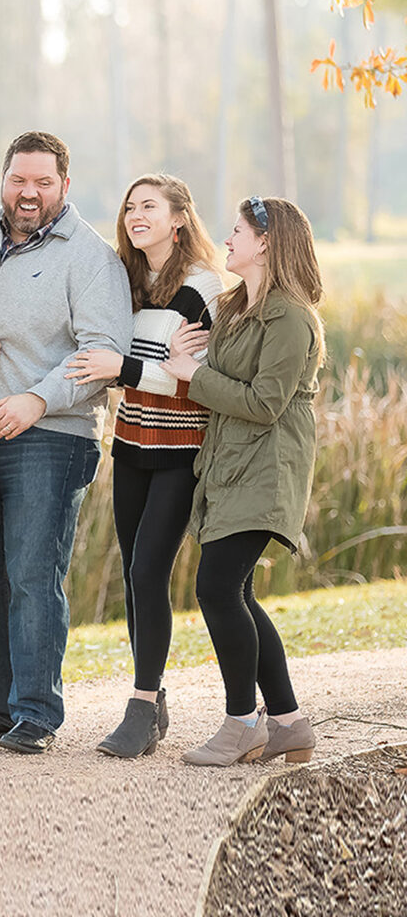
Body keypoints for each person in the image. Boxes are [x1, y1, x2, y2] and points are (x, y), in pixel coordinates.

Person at [0, 130, 133, 754]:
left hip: (52, 434)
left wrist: (36, 399)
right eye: (19, 179)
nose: (29, 193)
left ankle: (36, 713)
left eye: (43, 182)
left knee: (30, 573)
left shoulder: (91, 258)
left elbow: (104, 352)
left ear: (64, 186)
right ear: (3, 178)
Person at [161, 197, 323, 767]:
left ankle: (241, 722)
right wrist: (182, 357)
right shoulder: (234, 308)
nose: (226, 241)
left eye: (236, 232)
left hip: (267, 468)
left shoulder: (291, 317)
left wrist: (194, 375)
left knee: (216, 588)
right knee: (238, 593)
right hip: (228, 466)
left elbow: (265, 403)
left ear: (266, 243)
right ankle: (287, 723)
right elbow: (210, 375)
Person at [66, 174, 224, 758]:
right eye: (130, 206)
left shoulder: (203, 288)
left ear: (178, 218)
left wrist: (122, 367)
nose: (135, 215)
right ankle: (152, 698)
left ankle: (138, 707)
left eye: (149, 207)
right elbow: (140, 362)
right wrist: (124, 367)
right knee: (134, 575)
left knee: (149, 570)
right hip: (130, 445)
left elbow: (193, 382)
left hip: (182, 450)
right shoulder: (126, 281)